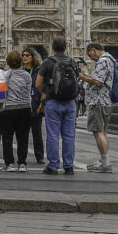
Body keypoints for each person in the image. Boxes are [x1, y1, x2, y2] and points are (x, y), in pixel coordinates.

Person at [35, 37, 78, 175]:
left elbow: (38, 83)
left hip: (53, 102)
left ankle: (53, 166)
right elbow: (76, 81)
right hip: (70, 103)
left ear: (52, 47)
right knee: (69, 135)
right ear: (65, 47)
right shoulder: (72, 62)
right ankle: (69, 166)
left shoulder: (48, 62)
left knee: (53, 135)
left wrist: (46, 92)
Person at [81, 42, 116, 173]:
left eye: (90, 55)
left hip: (99, 101)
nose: (91, 58)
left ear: (94, 50)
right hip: (106, 101)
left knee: (98, 131)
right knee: (103, 131)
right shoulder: (110, 59)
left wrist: (82, 76)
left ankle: (105, 163)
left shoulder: (103, 61)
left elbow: (98, 82)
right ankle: (104, 161)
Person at [0, 49, 33, 171]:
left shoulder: (6, 75)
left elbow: (3, 92)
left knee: (7, 137)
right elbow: (28, 91)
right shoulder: (27, 76)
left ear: (8, 62)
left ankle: (9, 164)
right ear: (20, 62)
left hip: (9, 109)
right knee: (23, 137)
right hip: (25, 108)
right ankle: (22, 163)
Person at [25, 48, 45, 164]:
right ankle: (22, 156)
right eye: (23, 55)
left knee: (37, 132)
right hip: (23, 105)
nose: (25, 57)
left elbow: (43, 85)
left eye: (27, 55)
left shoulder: (38, 71)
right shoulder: (21, 71)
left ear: (33, 57)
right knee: (23, 133)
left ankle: (40, 156)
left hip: (35, 103)